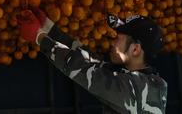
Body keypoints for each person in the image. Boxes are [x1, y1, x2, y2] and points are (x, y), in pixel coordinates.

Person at [18, 9, 167, 114]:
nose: (113, 44)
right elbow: (89, 60)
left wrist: (39, 37)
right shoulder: (139, 80)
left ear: (135, 50)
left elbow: (83, 70)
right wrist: (49, 29)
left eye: (118, 39)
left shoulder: (136, 89)